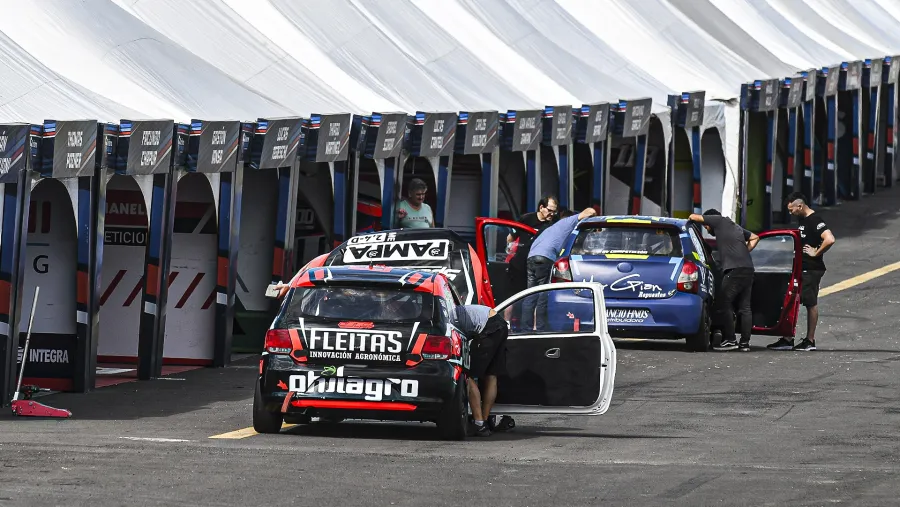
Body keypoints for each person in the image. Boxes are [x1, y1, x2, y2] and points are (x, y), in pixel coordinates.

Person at [767, 192, 835, 351]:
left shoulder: (815, 220)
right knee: (792, 300)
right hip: (800, 268)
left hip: (811, 269)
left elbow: (830, 239)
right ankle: (787, 338)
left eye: (792, 210)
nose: (790, 213)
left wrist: (816, 252)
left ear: (800, 205)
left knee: (810, 302)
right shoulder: (803, 220)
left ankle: (810, 341)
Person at [689, 209, 759, 351]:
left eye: (706, 226)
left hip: (734, 270)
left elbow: (692, 216)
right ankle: (744, 344)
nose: (707, 229)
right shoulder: (734, 226)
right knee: (745, 307)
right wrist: (744, 252)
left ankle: (731, 339)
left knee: (723, 302)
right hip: (748, 268)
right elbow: (755, 237)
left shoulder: (718, 220)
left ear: (709, 221)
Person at [522, 207, 597, 330]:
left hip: (532, 258)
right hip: (544, 258)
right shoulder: (568, 222)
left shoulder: (551, 228)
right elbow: (590, 211)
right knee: (542, 295)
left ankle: (525, 329)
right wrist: (596, 220)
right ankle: (540, 329)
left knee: (530, 295)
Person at [454, 304, 512, 437]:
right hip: (500, 324)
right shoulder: (457, 311)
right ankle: (483, 422)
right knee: (491, 375)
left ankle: (479, 424)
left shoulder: (448, 317)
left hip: (488, 327)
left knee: (467, 375)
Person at [506, 195, 560, 294]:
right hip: (520, 265)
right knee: (512, 297)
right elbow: (510, 238)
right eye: (549, 210)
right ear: (541, 207)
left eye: (554, 211)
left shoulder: (554, 224)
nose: (552, 214)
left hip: (539, 267)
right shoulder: (526, 219)